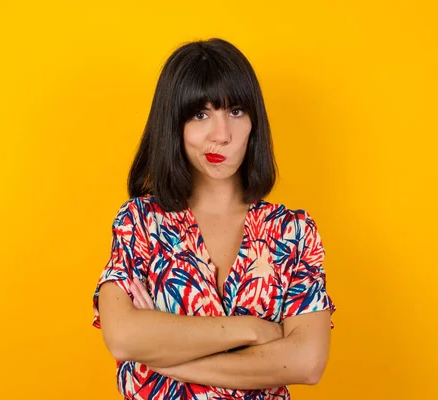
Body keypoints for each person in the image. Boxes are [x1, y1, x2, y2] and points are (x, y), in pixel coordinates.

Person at [91, 37, 337, 400]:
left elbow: (307, 361)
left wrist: (164, 360)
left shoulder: (292, 232)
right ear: (174, 125)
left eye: (235, 111)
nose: (221, 135)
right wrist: (255, 331)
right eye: (200, 114)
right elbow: (124, 337)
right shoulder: (140, 223)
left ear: (255, 122)